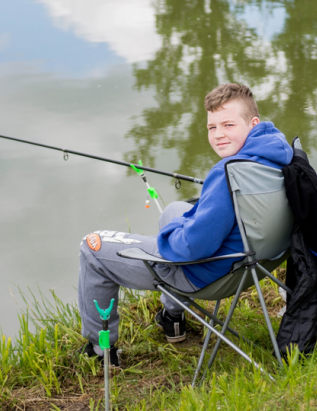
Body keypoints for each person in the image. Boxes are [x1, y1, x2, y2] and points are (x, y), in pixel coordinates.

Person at [77, 83, 293, 366]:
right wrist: (181, 222)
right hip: (259, 262)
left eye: (228, 124)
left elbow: (191, 248)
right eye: (212, 127)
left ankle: (99, 351)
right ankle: (172, 319)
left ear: (253, 123)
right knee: (175, 210)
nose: (218, 135)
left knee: (92, 247)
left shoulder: (228, 172)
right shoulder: (279, 156)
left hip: (207, 273)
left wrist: (169, 236)